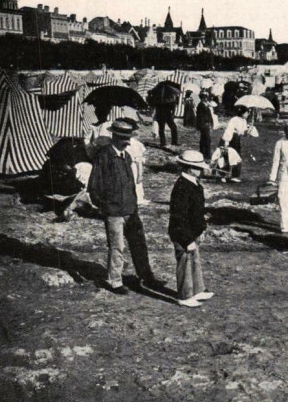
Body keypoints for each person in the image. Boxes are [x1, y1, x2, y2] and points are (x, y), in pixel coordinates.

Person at [88, 119, 165, 294]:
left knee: (139, 244)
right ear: (114, 136)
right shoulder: (103, 157)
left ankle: (146, 277)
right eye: (123, 137)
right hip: (114, 211)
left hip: (131, 209)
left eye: (128, 137)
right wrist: (104, 206)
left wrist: (133, 205)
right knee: (117, 247)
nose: (127, 141)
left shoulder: (126, 156)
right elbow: (94, 186)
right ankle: (114, 281)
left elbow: (130, 184)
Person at [169, 150, 214, 308]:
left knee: (195, 260)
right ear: (188, 168)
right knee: (185, 263)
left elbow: (196, 211)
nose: (201, 170)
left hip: (193, 231)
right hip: (182, 233)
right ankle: (185, 295)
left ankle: (198, 289)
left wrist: (201, 228)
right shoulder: (182, 187)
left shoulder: (194, 184)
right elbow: (179, 216)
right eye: (198, 168)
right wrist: (187, 239)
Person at [219, 105, 257, 183]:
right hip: (230, 139)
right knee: (226, 156)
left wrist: (249, 129)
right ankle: (223, 175)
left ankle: (234, 175)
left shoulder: (244, 121)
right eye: (246, 113)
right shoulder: (234, 119)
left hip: (237, 140)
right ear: (242, 113)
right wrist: (226, 141)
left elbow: (243, 132)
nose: (247, 115)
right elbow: (229, 130)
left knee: (237, 157)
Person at [196, 91, 216, 159]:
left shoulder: (206, 105)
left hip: (206, 124)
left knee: (204, 139)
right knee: (207, 139)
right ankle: (207, 154)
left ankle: (203, 153)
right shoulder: (200, 105)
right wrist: (203, 124)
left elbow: (210, 115)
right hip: (203, 124)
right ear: (201, 98)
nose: (205, 98)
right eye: (204, 97)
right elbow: (200, 117)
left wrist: (211, 122)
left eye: (206, 97)